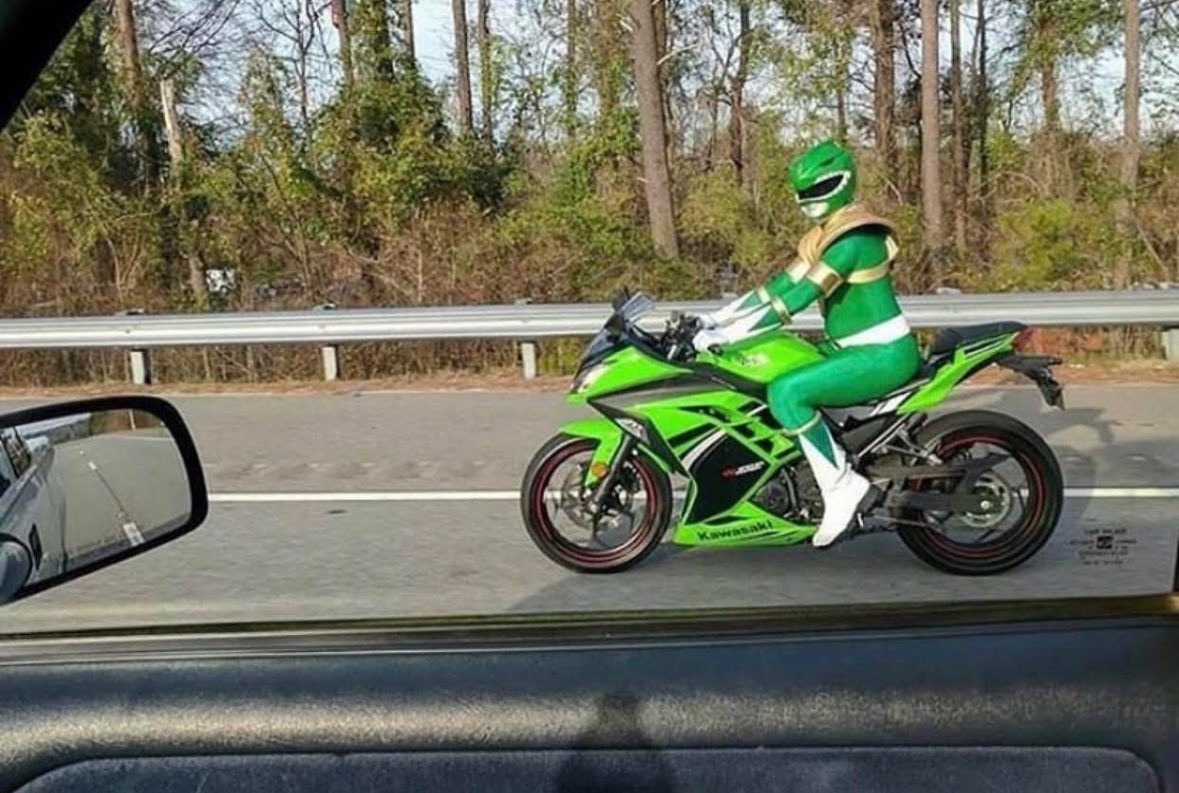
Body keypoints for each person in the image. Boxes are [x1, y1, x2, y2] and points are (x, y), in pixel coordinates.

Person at [691, 139, 920, 547]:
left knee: (787, 392)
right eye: (802, 192)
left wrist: (727, 336)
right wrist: (715, 318)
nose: (807, 200)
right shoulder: (827, 234)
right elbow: (778, 287)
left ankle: (842, 487)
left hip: (881, 354)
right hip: (849, 348)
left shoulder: (854, 240)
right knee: (777, 364)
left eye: (816, 190)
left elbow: (796, 299)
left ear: (841, 182)